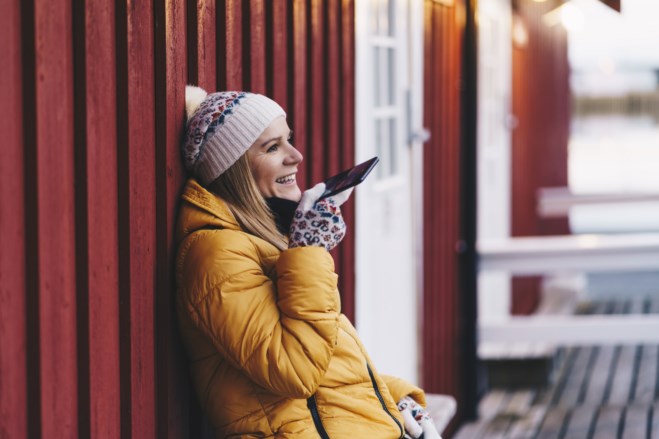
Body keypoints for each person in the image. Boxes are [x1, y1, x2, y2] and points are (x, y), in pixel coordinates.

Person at [176, 86, 441, 438]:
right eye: (273, 147)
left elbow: (327, 375)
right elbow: (297, 370)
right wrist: (309, 251)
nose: (296, 155)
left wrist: (397, 400)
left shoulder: (264, 240)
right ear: (234, 169)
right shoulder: (216, 256)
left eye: (289, 139)